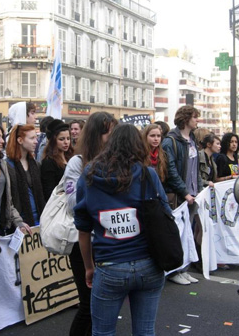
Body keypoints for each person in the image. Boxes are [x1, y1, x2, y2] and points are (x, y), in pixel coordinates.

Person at [74, 124, 168, 336]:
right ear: (139, 145)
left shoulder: (89, 176)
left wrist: (88, 267)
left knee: (103, 332)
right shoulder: (148, 175)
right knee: (145, 331)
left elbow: (83, 230)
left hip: (109, 266)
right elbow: (165, 214)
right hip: (149, 264)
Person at [64, 111, 117, 336]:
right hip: (85, 243)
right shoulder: (77, 162)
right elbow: (71, 202)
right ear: (97, 134)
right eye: (108, 133)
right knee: (88, 304)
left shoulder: (117, 161)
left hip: (111, 241)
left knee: (105, 305)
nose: (113, 138)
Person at [162, 105, 202, 285]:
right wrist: (185, 193)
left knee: (187, 234)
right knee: (176, 234)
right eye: (195, 117)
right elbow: (171, 171)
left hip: (192, 194)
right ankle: (173, 270)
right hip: (179, 196)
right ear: (186, 119)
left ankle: (183, 268)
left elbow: (196, 169)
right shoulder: (170, 141)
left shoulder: (191, 139)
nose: (197, 120)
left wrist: (199, 190)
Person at [6, 124, 45, 226]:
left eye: (36, 138)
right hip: (19, 221)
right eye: (32, 138)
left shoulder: (35, 164)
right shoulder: (8, 166)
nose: (36, 141)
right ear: (20, 140)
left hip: (40, 219)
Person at [40, 119, 73, 201]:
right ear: (53, 141)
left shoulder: (71, 157)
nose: (66, 142)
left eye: (68, 138)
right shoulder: (49, 162)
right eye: (61, 139)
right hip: (59, 204)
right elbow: (49, 191)